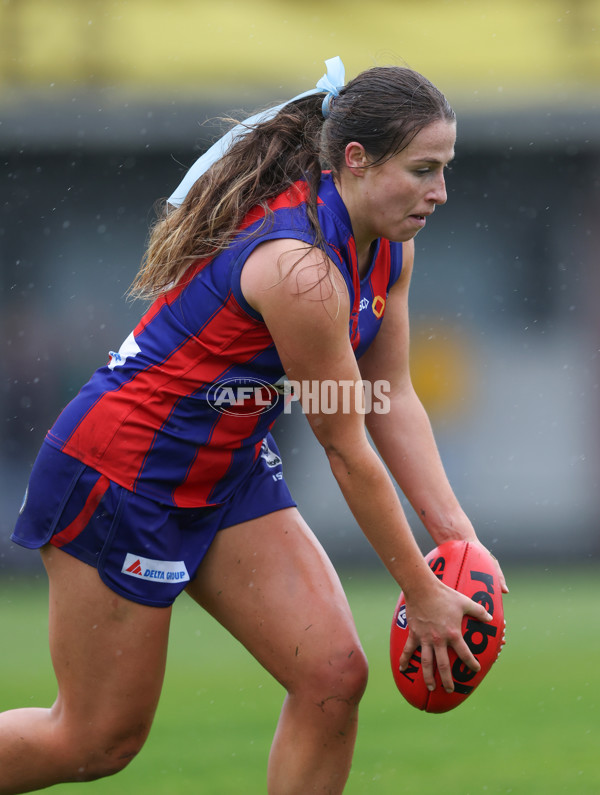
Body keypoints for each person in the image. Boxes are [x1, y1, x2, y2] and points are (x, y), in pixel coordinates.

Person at [2, 57, 508, 794]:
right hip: (121, 476)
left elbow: (390, 393)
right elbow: (346, 448)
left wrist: (459, 542)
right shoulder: (300, 269)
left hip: (227, 466)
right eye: (423, 169)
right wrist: (421, 591)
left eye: (445, 168)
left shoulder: (389, 244)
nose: (440, 192)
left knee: (332, 676)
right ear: (356, 161)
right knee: (94, 740)